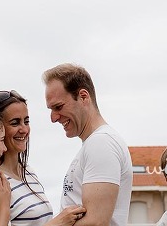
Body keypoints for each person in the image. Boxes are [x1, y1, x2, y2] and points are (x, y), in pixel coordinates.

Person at [42, 63, 133, 226]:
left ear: (83, 97)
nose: (53, 118)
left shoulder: (102, 143)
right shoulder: (94, 143)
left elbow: (96, 223)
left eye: (58, 107)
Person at [0, 90, 86, 226]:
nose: (24, 129)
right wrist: (57, 223)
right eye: (15, 123)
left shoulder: (28, 171)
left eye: (26, 121)